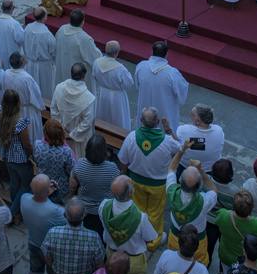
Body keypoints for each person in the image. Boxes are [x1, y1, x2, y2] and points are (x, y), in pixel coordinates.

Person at [118, 106, 179, 239]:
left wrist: (124, 173)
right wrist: (168, 130)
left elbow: (123, 160)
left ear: (140, 120)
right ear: (157, 122)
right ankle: (153, 240)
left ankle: (135, 234)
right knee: (155, 213)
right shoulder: (168, 141)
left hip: (135, 183)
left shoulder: (131, 137)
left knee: (137, 209)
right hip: (158, 186)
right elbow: (180, 149)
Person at [99, 174, 158, 274]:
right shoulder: (141, 218)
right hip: (133, 261)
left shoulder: (103, 207)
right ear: (131, 192)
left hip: (112, 255)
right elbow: (151, 238)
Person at [21, 173, 66, 274]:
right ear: (48, 191)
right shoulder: (55, 211)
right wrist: (55, 194)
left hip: (33, 243)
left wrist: (46, 191)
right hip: (51, 250)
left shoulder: (24, 199)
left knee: (34, 272)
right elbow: (67, 217)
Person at [165, 144, 217, 262]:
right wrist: (202, 172)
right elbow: (213, 190)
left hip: (174, 236)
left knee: (174, 259)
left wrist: (182, 150)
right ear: (199, 186)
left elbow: (171, 169)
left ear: (179, 180)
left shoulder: (171, 191)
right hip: (196, 241)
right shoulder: (204, 201)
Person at [70, 133, 120, 235]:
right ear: (104, 151)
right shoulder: (112, 168)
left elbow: (73, 184)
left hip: (84, 209)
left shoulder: (79, 164)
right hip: (105, 209)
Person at [0, 88, 34, 221]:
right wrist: (32, 156)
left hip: (6, 154)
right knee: (26, 184)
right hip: (20, 158)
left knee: (14, 182)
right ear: (18, 103)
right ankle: (12, 213)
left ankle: (15, 209)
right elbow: (27, 144)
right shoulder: (20, 122)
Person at [134, 41, 189, 131]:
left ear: (152, 52)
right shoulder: (172, 73)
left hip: (145, 106)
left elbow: (137, 85)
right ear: (167, 54)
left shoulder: (141, 66)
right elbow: (182, 93)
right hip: (165, 111)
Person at [214, 190, 257, 274]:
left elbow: (217, 220)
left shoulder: (223, 215)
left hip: (225, 255)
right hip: (245, 259)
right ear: (251, 208)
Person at [51, 63, 96, 157]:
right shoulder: (89, 98)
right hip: (80, 139)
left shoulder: (59, 88)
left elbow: (54, 111)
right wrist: (73, 135)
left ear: (71, 73)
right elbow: (87, 122)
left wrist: (61, 130)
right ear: (84, 76)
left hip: (61, 135)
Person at [3, 51, 45, 144]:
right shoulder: (27, 78)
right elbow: (36, 95)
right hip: (26, 111)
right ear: (22, 61)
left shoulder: (6, 73)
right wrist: (41, 107)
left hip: (12, 109)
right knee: (29, 136)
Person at [54, 9, 100, 92]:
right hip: (77, 76)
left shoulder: (61, 29)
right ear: (82, 22)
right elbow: (94, 58)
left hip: (62, 68)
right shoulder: (84, 38)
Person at [92, 40, 133, 130]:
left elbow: (94, 75)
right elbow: (129, 83)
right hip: (117, 98)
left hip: (102, 94)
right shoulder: (120, 69)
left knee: (102, 117)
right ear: (117, 53)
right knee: (118, 121)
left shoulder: (97, 62)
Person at [33, 118, 75, 203]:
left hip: (43, 183)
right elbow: (72, 170)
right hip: (60, 186)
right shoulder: (66, 151)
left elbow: (36, 161)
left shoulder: (37, 145)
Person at [175, 104, 224, 173]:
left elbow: (175, 144)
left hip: (186, 167)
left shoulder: (183, 130)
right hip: (210, 169)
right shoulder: (219, 130)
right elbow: (204, 144)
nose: (190, 116)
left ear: (198, 120)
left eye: (192, 115)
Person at [23, 6, 56, 99]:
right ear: (44, 17)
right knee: (45, 89)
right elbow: (53, 51)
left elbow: (24, 43)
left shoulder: (28, 28)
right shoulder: (47, 34)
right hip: (44, 67)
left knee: (31, 89)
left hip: (30, 64)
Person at [0, 0, 24, 69]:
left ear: (1, 8)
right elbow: (21, 39)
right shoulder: (14, 24)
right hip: (10, 55)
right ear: (12, 9)